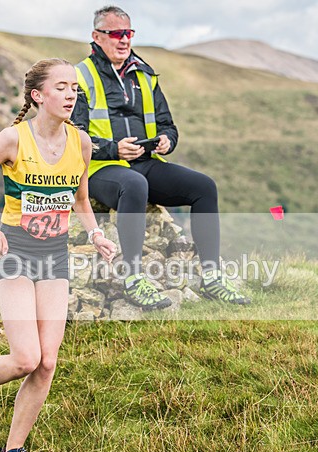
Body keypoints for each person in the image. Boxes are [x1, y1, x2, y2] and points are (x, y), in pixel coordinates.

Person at [0, 58, 117, 452]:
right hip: (14, 250)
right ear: (38, 96)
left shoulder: (81, 143)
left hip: (54, 255)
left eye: (74, 87)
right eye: (61, 87)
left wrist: (96, 235)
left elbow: (81, 200)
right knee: (24, 359)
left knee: (47, 362)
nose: (71, 93)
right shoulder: (13, 140)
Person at [71, 5, 250, 307]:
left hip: (146, 162)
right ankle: (133, 279)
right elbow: (73, 134)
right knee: (134, 184)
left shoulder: (144, 73)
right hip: (101, 169)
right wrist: (114, 148)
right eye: (115, 33)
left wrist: (167, 140)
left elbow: (169, 124)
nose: (124, 39)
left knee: (204, 186)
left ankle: (212, 277)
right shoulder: (79, 75)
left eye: (128, 33)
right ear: (96, 36)